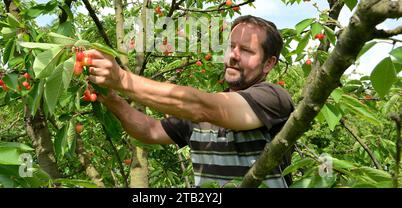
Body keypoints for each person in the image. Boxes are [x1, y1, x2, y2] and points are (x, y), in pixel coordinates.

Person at [87, 15, 294, 187]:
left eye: (247, 50)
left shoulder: (274, 99)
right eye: (231, 46)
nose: (233, 55)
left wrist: (122, 79)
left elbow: (204, 107)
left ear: (268, 64)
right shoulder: (203, 115)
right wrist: (109, 96)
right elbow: (149, 130)